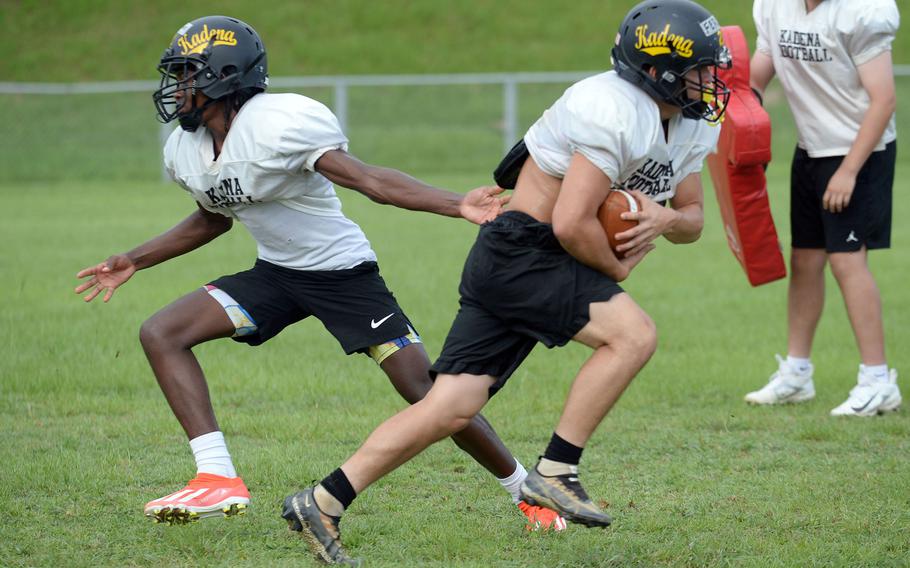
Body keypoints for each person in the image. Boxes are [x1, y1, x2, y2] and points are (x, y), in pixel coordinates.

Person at [74, 15, 565, 530]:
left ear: (224, 76)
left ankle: (525, 493)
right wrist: (137, 258)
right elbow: (214, 217)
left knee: (428, 392)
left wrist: (455, 204)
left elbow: (370, 180)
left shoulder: (277, 124)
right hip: (276, 275)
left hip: (342, 276)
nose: (177, 88)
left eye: (187, 74)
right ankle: (216, 477)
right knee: (162, 332)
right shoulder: (187, 150)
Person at [283, 1, 732, 563]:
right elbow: (569, 223)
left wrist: (666, 219)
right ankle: (556, 470)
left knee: (450, 406)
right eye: (700, 69)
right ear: (658, 69)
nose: (711, 81)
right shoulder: (612, 107)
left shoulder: (688, 124)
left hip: (518, 260)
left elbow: (692, 220)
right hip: (527, 251)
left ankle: (322, 499)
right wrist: (617, 269)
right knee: (632, 335)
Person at [744, 0, 901, 416]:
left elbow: (883, 100)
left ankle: (877, 379)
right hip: (811, 148)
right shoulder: (776, 6)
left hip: (858, 151)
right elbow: (759, 73)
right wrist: (746, 113)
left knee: (848, 262)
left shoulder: (862, 11)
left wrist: (849, 171)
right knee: (805, 259)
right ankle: (797, 372)